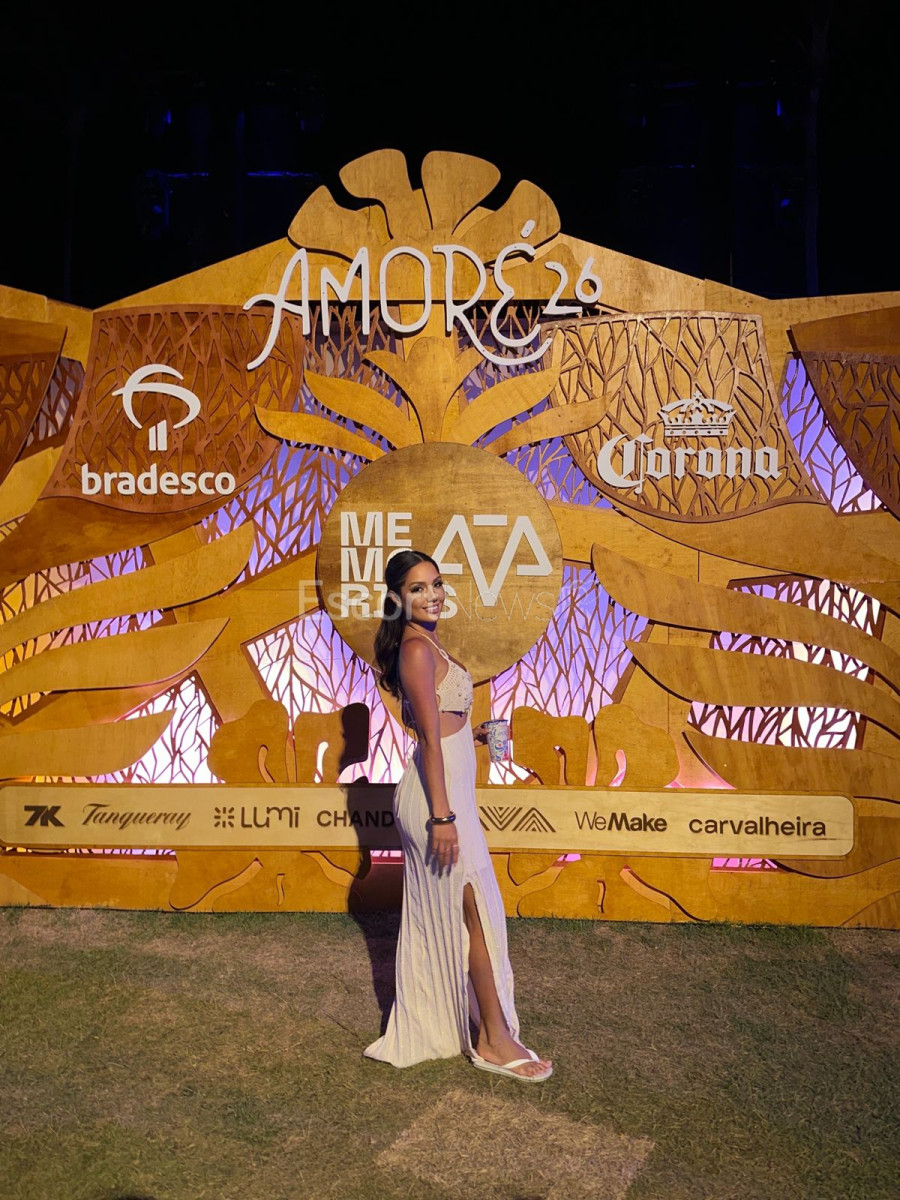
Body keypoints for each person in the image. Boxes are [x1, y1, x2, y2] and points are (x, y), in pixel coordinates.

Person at [363, 549, 552, 1082]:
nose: (432, 595)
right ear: (397, 598)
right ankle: (493, 1039)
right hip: (435, 803)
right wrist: (441, 819)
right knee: (472, 913)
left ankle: (489, 1029)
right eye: (418, 588)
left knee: (473, 913)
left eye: (437, 584)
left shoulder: (428, 643)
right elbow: (427, 739)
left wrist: (475, 735)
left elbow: (442, 726)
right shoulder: (414, 650)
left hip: (450, 796)